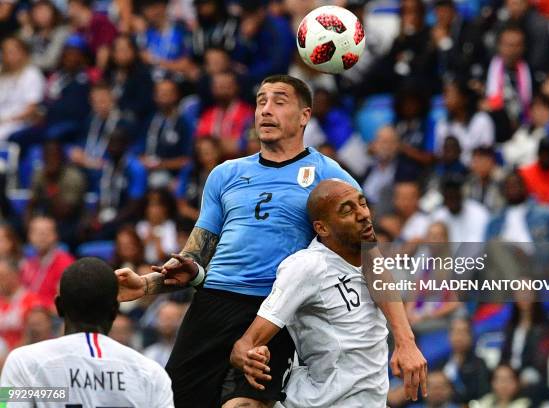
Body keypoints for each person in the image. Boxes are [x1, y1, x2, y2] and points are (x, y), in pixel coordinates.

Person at [115, 75, 427, 407]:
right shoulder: (225, 174)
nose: (266, 110)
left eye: (279, 101)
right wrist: (146, 285)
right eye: (261, 101)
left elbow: (373, 260)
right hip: (213, 303)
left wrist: (405, 340)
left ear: (305, 115)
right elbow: (194, 258)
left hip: (274, 311)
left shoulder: (331, 178)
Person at [230, 180, 426, 407]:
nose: (363, 214)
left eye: (362, 204)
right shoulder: (308, 266)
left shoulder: (374, 263)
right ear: (322, 228)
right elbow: (245, 345)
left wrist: (407, 343)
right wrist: (248, 358)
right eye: (347, 210)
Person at [0, 257, 174, 407]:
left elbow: (6, 404)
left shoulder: (23, 362)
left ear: (59, 307)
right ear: (114, 310)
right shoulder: (150, 373)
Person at [21, 215, 75, 309]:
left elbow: (66, 303)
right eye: (37, 232)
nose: (42, 236)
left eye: (47, 232)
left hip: (52, 316)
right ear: (29, 236)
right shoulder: (27, 264)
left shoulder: (65, 262)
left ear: (56, 236)